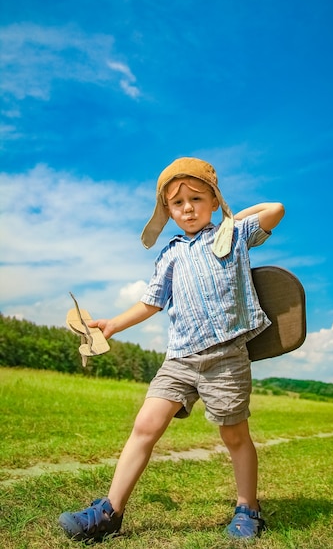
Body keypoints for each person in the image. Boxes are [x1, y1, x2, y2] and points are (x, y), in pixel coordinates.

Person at [59, 157, 285, 541]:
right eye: (177, 204)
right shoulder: (171, 253)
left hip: (225, 357)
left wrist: (229, 217)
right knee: (145, 426)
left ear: (213, 199)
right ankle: (109, 512)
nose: (187, 209)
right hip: (179, 357)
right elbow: (151, 302)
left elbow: (275, 210)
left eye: (197, 198)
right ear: (167, 211)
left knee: (234, 436)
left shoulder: (232, 236)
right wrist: (112, 324)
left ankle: (249, 508)